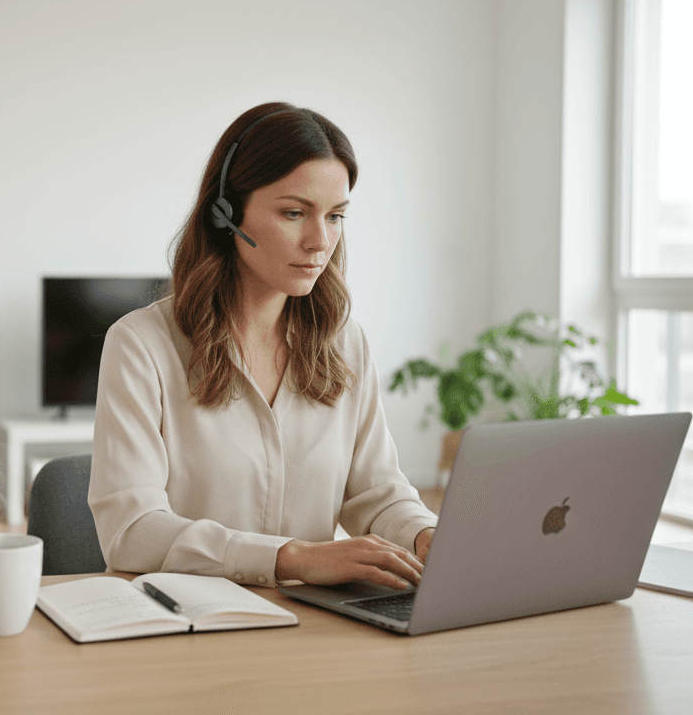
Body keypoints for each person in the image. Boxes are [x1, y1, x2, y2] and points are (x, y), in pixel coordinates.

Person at [88, 102, 438, 591]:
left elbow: (376, 494)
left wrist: (425, 534)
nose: (321, 241)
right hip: (181, 627)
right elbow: (131, 531)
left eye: (335, 216)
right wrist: (289, 559)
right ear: (226, 213)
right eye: (294, 213)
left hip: (310, 628)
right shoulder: (141, 345)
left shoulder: (345, 343)